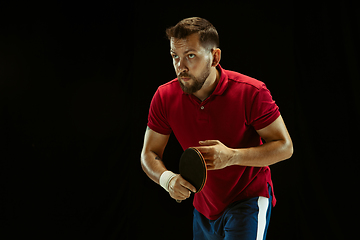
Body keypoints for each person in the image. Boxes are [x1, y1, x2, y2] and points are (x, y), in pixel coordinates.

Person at [140, 17, 293, 240]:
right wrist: (168, 180)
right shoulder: (164, 97)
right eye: (175, 56)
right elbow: (149, 153)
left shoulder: (252, 92)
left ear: (215, 57)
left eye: (190, 55)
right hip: (204, 206)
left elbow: (285, 147)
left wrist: (231, 156)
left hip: (247, 198)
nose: (180, 66)